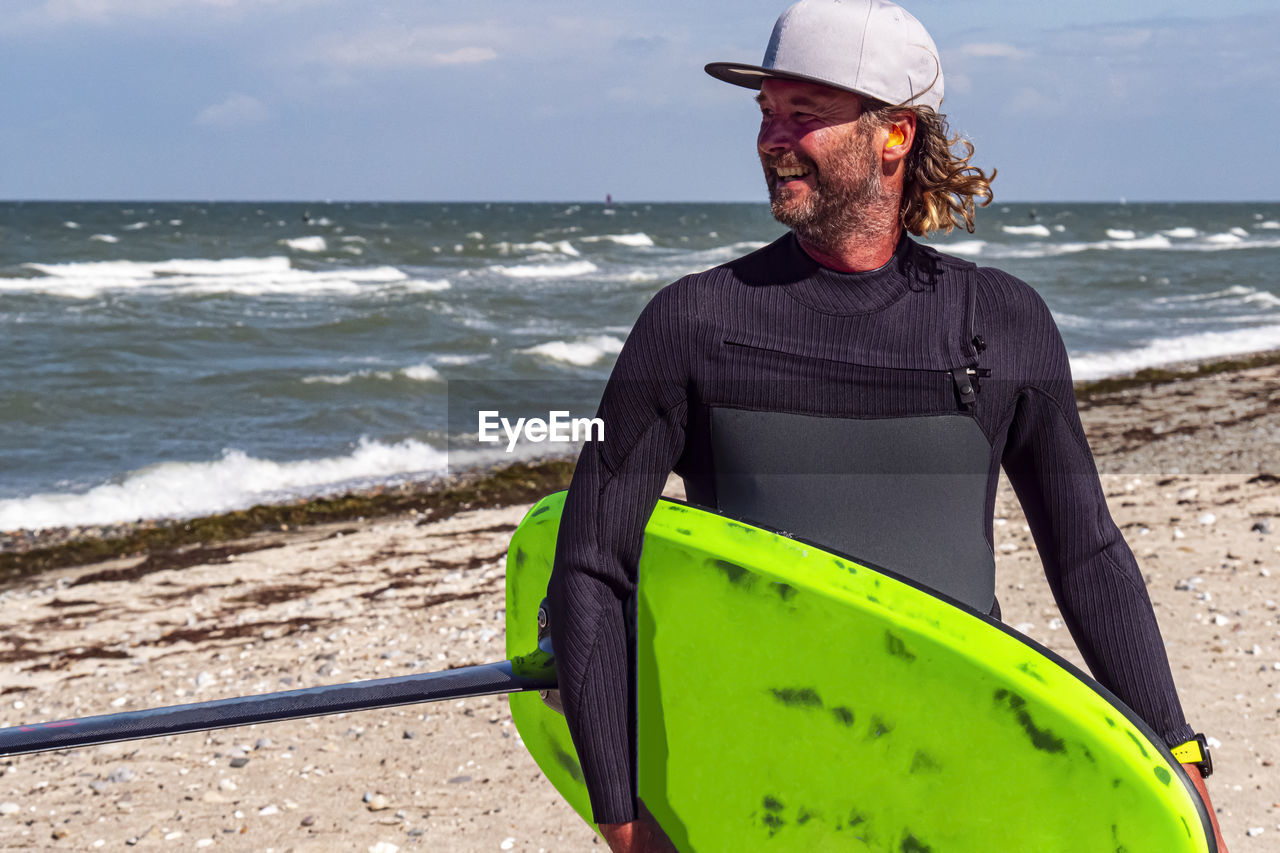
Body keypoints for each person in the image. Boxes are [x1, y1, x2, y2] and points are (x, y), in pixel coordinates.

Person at [547, 1, 1227, 850]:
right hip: (766, 782)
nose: (770, 138)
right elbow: (589, 565)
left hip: (957, 767)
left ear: (894, 136)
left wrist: (1178, 756)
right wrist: (621, 815)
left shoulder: (1001, 321)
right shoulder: (693, 323)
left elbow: (1086, 552)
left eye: (804, 114)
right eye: (766, 114)